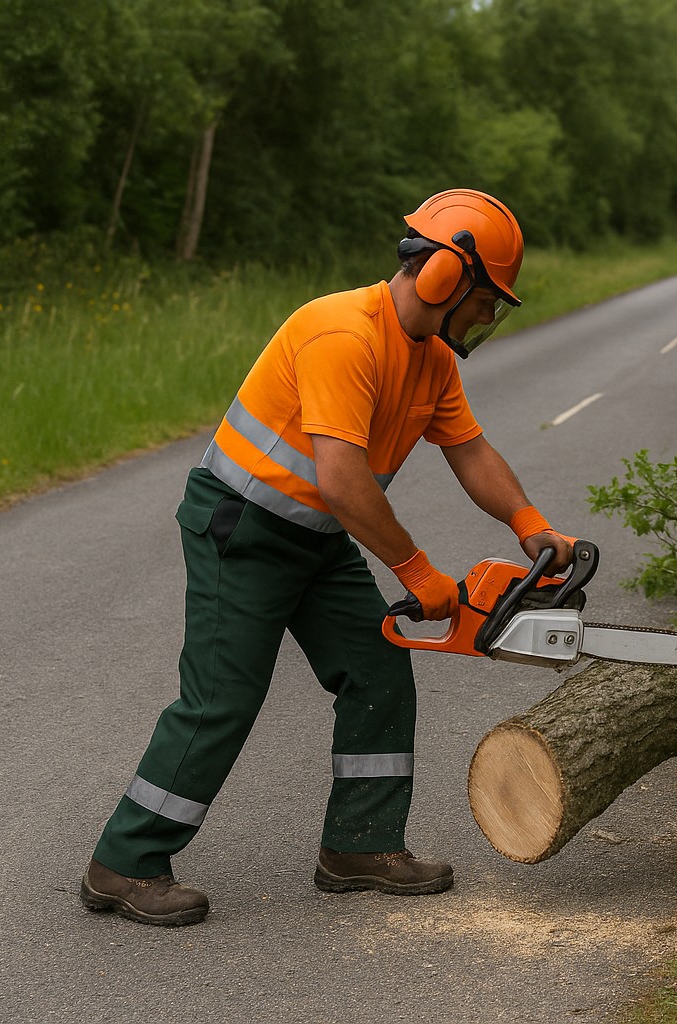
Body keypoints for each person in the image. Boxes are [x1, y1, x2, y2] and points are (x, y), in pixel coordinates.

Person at [80, 189, 572, 927]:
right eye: (482, 300)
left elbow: (470, 451)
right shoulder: (342, 333)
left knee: (377, 668)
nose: (483, 316)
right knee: (222, 697)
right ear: (445, 275)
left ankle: (360, 846)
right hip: (243, 528)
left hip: (317, 536)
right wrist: (416, 571)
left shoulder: (432, 361)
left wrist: (530, 525)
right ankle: (124, 861)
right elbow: (342, 482)